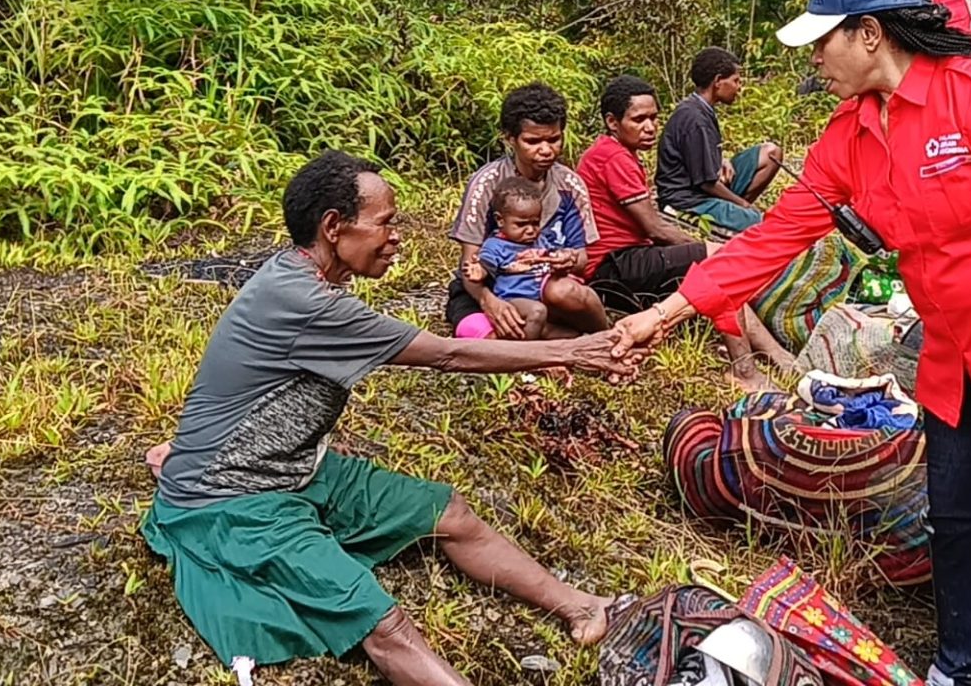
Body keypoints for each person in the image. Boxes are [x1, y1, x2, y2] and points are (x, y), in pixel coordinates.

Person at [611, 0, 971, 686]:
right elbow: (771, 239)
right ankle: (964, 669)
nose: (815, 60)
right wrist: (661, 314)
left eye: (821, 40)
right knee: (955, 522)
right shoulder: (853, 132)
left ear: (868, 33)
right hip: (956, 358)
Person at [141, 150, 637, 686]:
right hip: (237, 504)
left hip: (297, 471)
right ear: (334, 227)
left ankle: (581, 606)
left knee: (450, 512)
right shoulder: (309, 303)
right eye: (386, 222)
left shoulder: (299, 280)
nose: (397, 235)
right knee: (387, 625)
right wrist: (577, 351)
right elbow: (449, 355)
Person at [577, 74, 795, 391]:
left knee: (717, 265)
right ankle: (746, 370)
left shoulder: (616, 152)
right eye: (639, 119)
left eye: (653, 118)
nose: (650, 127)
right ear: (612, 121)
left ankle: (769, 351)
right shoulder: (612, 157)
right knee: (719, 260)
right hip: (613, 264)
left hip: (628, 257)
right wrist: (704, 246)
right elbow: (654, 227)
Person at [446, 82, 600, 341]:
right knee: (488, 341)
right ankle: (552, 346)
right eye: (532, 141)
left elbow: (583, 261)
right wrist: (489, 302)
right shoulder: (488, 184)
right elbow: (469, 264)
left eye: (554, 139)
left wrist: (570, 260)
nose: (546, 149)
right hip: (489, 290)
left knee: (564, 293)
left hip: (543, 287)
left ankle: (605, 338)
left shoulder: (569, 186)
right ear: (510, 138)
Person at [655, 47, 783, 232]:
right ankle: (736, 216)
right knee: (758, 222)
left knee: (771, 153)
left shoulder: (701, 109)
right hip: (687, 199)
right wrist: (743, 204)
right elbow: (706, 182)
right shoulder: (694, 119)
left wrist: (721, 159)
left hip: (706, 184)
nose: (739, 87)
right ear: (717, 81)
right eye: (735, 81)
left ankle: (733, 213)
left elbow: (698, 154)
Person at [473, 176, 608, 339]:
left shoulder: (540, 239)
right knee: (537, 311)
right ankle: (526, 356)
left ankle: (603, 336)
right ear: (500, 220)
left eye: (535, 223)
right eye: (521, 225)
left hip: (542, 298)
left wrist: (563, 257)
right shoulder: (495, 245)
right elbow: (486, 264)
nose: (530, 230)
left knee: (572, 335)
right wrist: (478, 271)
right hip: (514, 299)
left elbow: (553, 254)